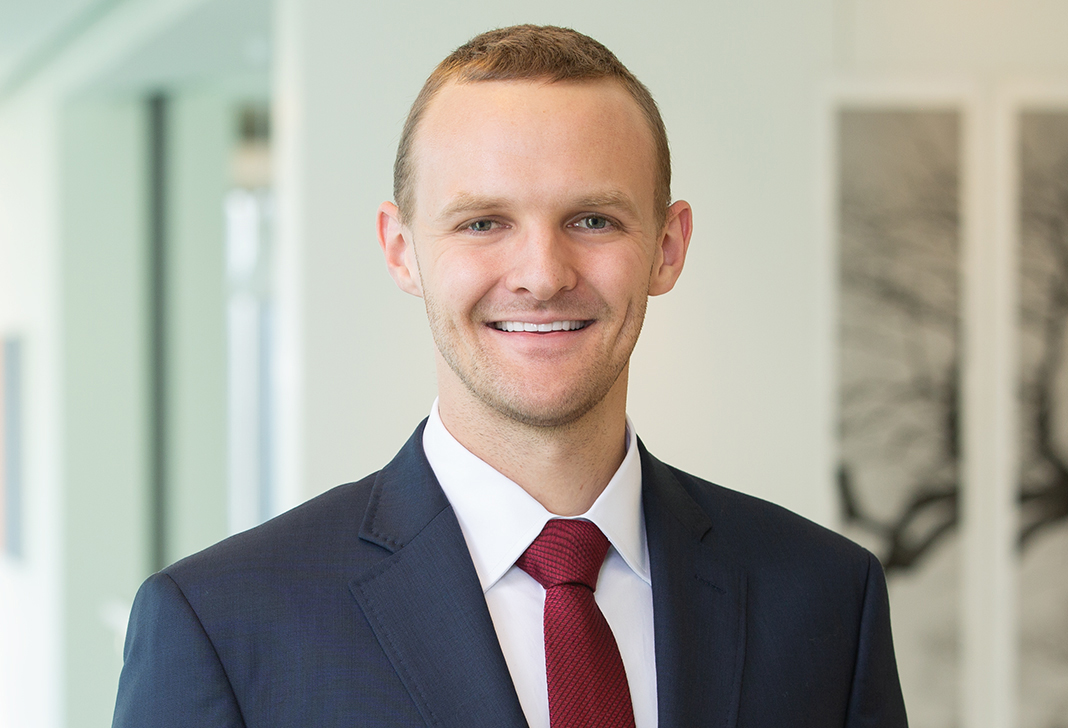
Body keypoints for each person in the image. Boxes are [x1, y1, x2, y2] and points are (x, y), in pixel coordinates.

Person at [113, 25, 907, 727]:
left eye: (592, 220)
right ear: (401, 250)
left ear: (667, 248)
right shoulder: (225, 625)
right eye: (484, 223)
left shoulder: (825, 598)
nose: (541, 274)